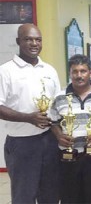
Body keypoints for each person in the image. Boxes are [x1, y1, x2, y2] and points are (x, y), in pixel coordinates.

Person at [0, 23, 61, 203]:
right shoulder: (5, 71)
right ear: (19, 41)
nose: (34, 43)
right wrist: (29, 118)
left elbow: (57, 105)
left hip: (49, 140)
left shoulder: (49, 70)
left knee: (50, 194)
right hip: (21, 144)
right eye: (28, 39)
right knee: (23, 195)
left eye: (38, 39)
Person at [50, 54, 91, 203]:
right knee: (69, 198)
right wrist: (59, 135)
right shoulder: (60, 97)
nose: (79, 75)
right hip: (67, 158)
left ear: (90, 73)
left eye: (83, 71)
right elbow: (53, 122)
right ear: (70, 73)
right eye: (75, 71)